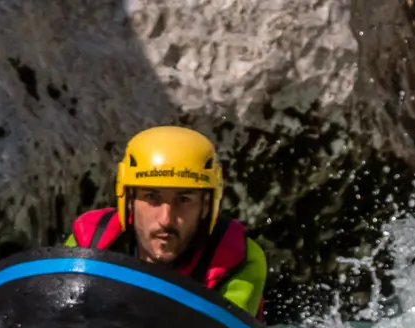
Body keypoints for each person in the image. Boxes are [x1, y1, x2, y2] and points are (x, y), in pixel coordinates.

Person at [64, 126, 268, 316]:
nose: (166, 219)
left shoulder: (239, 260)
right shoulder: (90, 242)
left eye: (184, 200)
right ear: (129, 201)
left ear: (206, 205)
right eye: (152, 197)